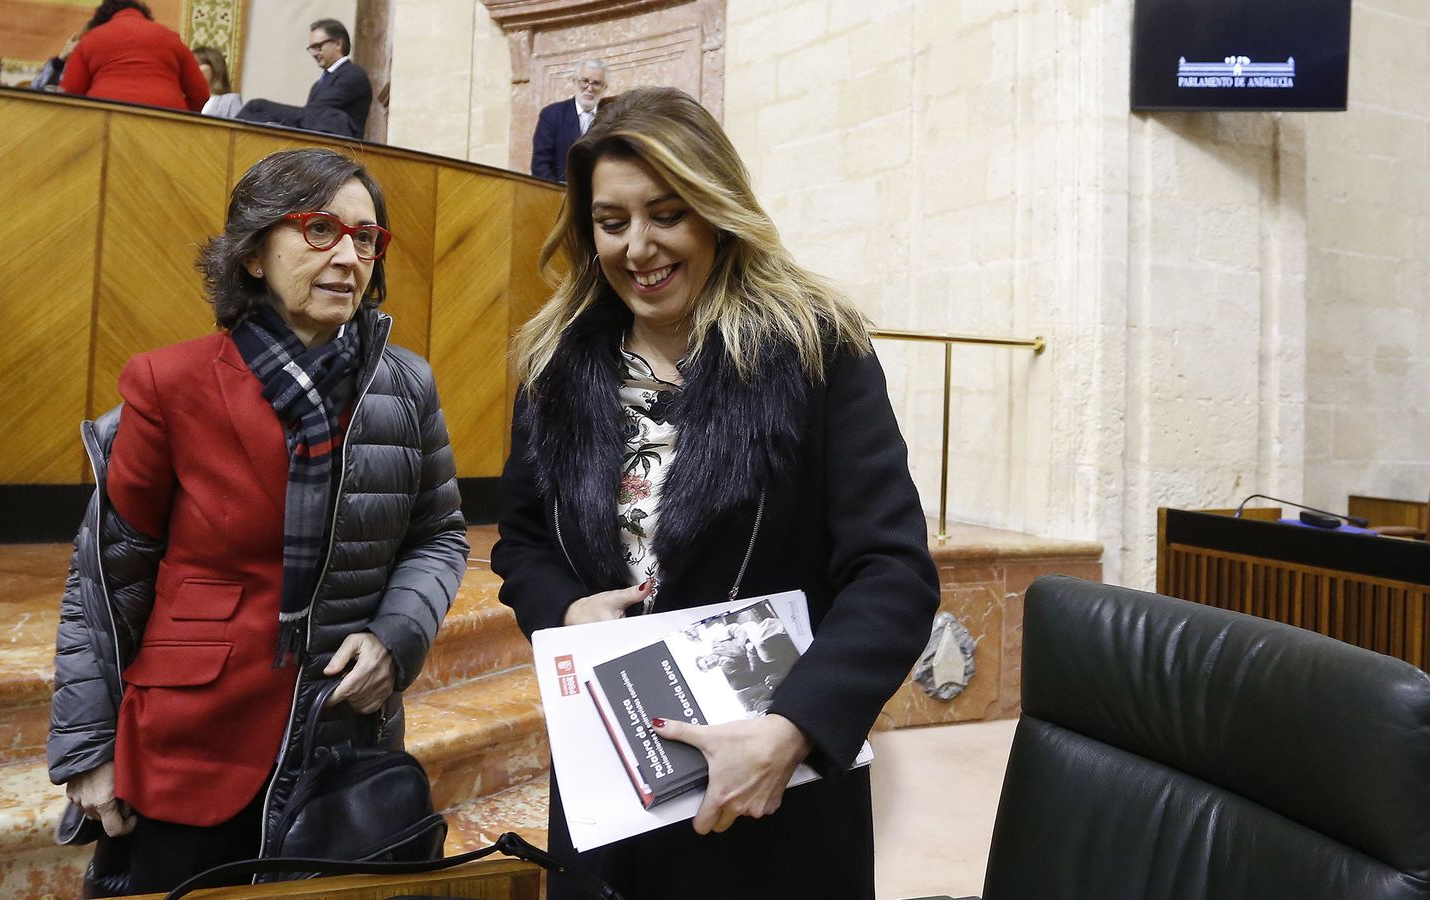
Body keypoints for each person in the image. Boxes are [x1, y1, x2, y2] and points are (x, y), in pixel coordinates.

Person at [492, 87, 940, 900]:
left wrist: (793, 730)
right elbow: (519, 536)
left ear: (716, 210)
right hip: (613, 772)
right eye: (612, 220)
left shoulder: (815, 350)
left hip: (773, 784)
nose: (638, 246)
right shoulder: (554, 366)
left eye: (667, 214)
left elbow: (892, 571)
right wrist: (563, 610)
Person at [47, 147, 469, 895]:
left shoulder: (405, 384)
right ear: (251, 254)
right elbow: (104, 579)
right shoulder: (167, 382)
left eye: (366, 238)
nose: (349, 255)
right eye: (319, 230)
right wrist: (86, 749)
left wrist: (395, 639)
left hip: (341, 739)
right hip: (192, 742)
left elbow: (438, 535)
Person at [60, 0, 209, 111]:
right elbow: (200, 94)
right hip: (167, 121)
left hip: (104, 116)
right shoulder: (171, 38)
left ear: (102, 20)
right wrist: (182, 118)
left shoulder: (90, 39)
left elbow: (68, 95)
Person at [237, 19, 371, 139]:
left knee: (257, 107)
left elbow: (316, 113)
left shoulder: (353, 74)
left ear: (338, 44)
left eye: (318, 47)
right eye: (312, 49)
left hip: (340, 152)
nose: (315, 54)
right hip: (318, 146)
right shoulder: (317, 85)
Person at [530, 60, 607, 182]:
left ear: (604, 87)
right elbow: (540, 164)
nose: (589, 88)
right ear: (574, 82)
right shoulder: (551, 115)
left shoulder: (612, 117)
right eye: (585, 81)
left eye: (596, 83)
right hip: (558, 195)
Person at [193, 45, 241, 118]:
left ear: (215, 67)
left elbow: (237, 128)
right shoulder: (191, 101)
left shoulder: (230, 100)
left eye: (199, 64)